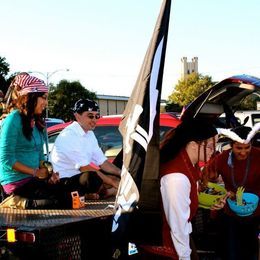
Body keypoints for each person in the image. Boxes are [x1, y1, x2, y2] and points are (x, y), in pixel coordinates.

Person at [159, 119, 228, 260]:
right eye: (210, 146)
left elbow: (186, 202)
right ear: (192, 145)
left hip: (177, 240)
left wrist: (210, 204)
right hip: (167, 247)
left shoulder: (189, 164)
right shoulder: (177, 177)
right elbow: (178, 227)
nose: (214, 150)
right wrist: (185, 257)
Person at [0, 73, 60, 209]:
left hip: (33, 181)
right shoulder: (12, 120)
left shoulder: (37, 122)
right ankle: (14, 202)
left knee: (67, 194)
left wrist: (48, 172)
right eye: (43, 98)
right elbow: (6, 160)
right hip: (16, 183)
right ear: (30, 97)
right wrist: (36, 172)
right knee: (57, 202)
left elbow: (40, 157)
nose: (46, 103)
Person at [203, 124, 260, 260]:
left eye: (247, 147)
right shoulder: (223, 158)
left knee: (252, 252)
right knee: (232, 252)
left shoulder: (259, 155)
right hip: (231, 213)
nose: (243, 152)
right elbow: (207, 177)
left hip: (256, 213)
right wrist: (213, 187)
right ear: (230, 145)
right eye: (238, 148)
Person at [50, 98, 121, 200]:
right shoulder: (69, 135)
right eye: (90, 116)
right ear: (77, 116)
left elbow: (103, 162)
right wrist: (112, 182)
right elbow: (84, 168)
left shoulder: (90, 134)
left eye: (97, 116)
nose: (94, 120)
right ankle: (103, 192)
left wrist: (121, 173)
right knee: (92, 177)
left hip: (80, 178)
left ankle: (104, 192)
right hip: (65, 181)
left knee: (118, 170)